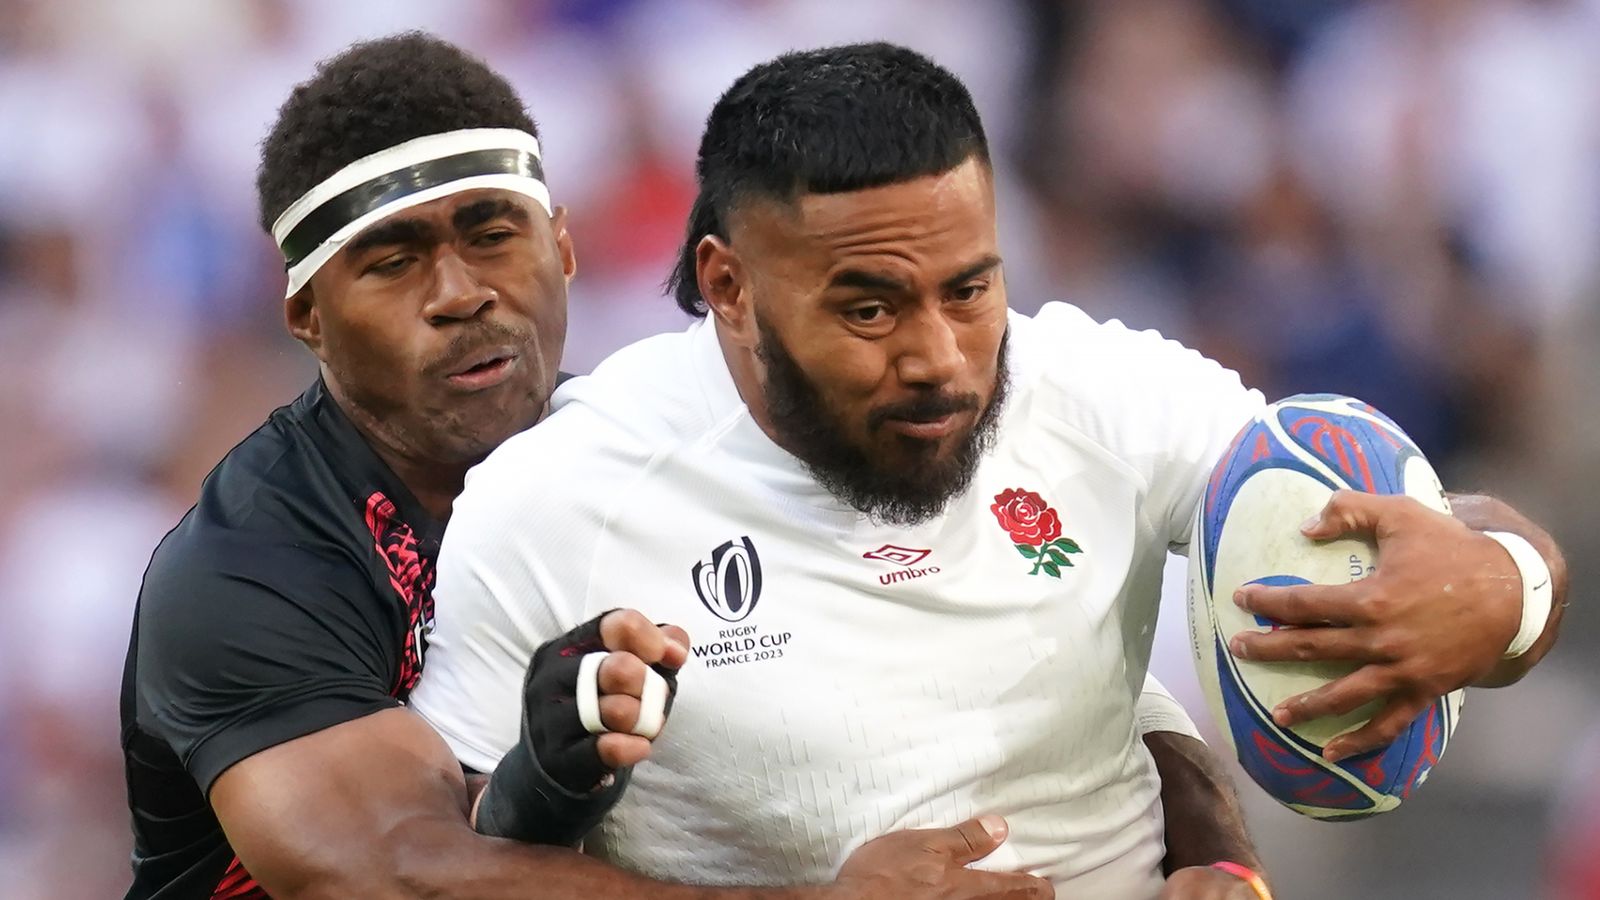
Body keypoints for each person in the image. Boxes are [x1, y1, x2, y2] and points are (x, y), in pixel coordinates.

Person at [409, 41, 1570, 900]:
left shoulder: (1094, 390)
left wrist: (1502, 582)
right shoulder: (556, 498)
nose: (936, 358)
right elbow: (447, 870)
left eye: (969, 288)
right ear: (728, 287)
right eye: (867, 308)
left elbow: (1359, 502)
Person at [120, 32, 1260, 900]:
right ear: (307, 315)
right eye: (394, 260)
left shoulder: (643, 457)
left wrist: (1203, 832)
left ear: (564, 246)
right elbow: (394, 870)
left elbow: (1008, 643)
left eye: (491, 233)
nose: (461, 291)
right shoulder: (248, 569)